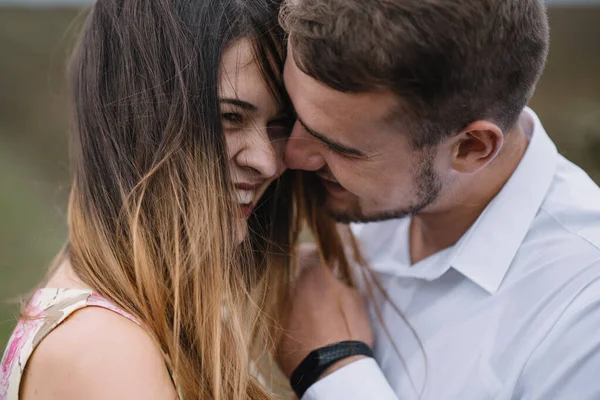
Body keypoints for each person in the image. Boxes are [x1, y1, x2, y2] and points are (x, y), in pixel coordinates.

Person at [276, 0, 600, 399]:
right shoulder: (374, 201)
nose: (292, 156)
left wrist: (332, 369)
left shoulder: (585, 312)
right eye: (292, 112)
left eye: (341, 148)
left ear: (471, 148)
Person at [0, 0, 298, 399]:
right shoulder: (106, 351)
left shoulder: (135, 321)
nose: (267, 161)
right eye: (229, 118)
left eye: (278, 125)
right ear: (138, 123)